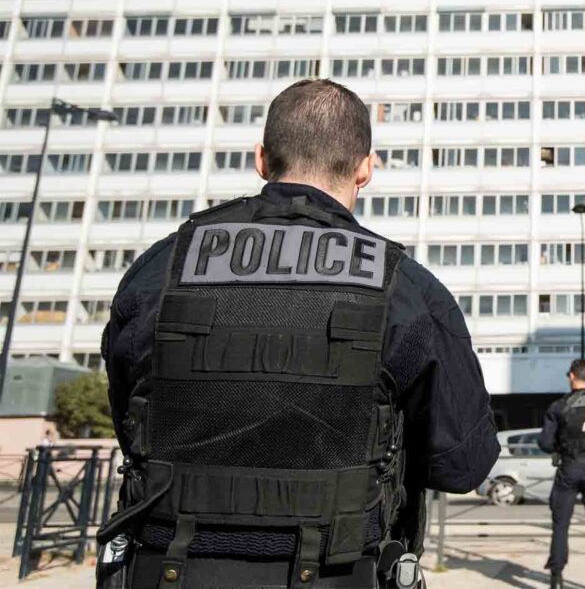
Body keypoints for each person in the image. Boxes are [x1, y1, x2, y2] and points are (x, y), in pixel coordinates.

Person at [98, 79, 500, 587]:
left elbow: (129, 414)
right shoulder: (405, 288)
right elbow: (462, 464)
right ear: (364, 169)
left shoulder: (163, 267)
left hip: (165, 567)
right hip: (337, 570)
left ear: (262, 160)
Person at [538, 359, 585, 589]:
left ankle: (556, 578)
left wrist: (561, 445)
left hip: (568, 469)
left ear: (572, 376)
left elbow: (545, 443)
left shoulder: (559, 406)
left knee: (561, 525)